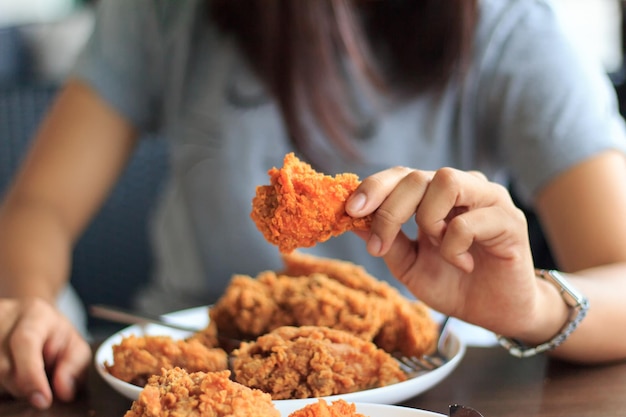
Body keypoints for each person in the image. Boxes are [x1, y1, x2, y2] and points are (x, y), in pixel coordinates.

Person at [1, 0, 626, 410]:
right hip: (177, 386)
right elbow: (39, 206)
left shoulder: (505, 26)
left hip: (420, 389)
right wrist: (31, 304)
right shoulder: (168, 13)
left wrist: (534, 304)